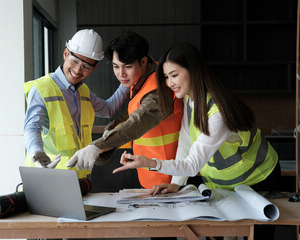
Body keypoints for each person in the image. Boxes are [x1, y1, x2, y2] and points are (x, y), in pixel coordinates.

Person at [113, 42, 281, 195]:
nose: (170, 83)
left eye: (174, 75)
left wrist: (150, 163)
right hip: (227, 185)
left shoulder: (218, 113)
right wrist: (176, 183)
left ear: (193, 70)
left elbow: (193, 165)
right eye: (166, 77)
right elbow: (185, 141)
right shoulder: (189, 99)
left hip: (258, 179)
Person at [66, 31, 183, 189]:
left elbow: (137, 122)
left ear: (143, 62)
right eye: (115, 66)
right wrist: (109, 133)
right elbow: (131, 113)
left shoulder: (160, 89)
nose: (121, 74)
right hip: (153, 175)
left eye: (127, 66)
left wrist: (98, 146)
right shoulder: (141, 78)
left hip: (173, 178)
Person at [23, 29, 129, 179]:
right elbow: (31, 127)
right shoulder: (42, 88)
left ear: (94, 68)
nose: (78, 70)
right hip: (46, 176)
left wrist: (128, 80)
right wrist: (36, 151)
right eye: (75, 61)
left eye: (86, 66)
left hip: (78, 178)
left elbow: (108, 109)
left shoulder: (83, 91)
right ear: (66, 54)